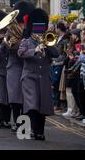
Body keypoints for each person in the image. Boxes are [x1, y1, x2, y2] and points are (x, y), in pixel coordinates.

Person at [17, 8, 59, 140]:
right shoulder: (26, 41)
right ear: (32, 29)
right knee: (33, 104)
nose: (38, 33)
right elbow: (21, 53)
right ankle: (32, 128)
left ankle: (39, 131)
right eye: (36, 30)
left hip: (44, 77)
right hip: (29, 77)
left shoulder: (48, 40)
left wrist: (47, 45)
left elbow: (57, 54)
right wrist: (35, 50)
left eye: (41, 30)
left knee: (43, 106)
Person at [6, 0, 35, 132]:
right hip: (15, 67)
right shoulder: (11, 30)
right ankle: (18, 123)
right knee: (15, 98)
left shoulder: (32, 29)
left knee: (27, 98)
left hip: (28, 67)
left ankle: (27, 124)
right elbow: (10, 48)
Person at [51, 22, 70, 113]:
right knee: (53, 84)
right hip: (53, 63)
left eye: (56, 28)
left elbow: (66, 53)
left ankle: (58, 104)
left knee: (56, 83)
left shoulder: (65, 39)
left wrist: (61, 62)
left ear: (59, 29)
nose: (55, 30)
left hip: (59, 63)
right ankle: (55, 103)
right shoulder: (56, 38)